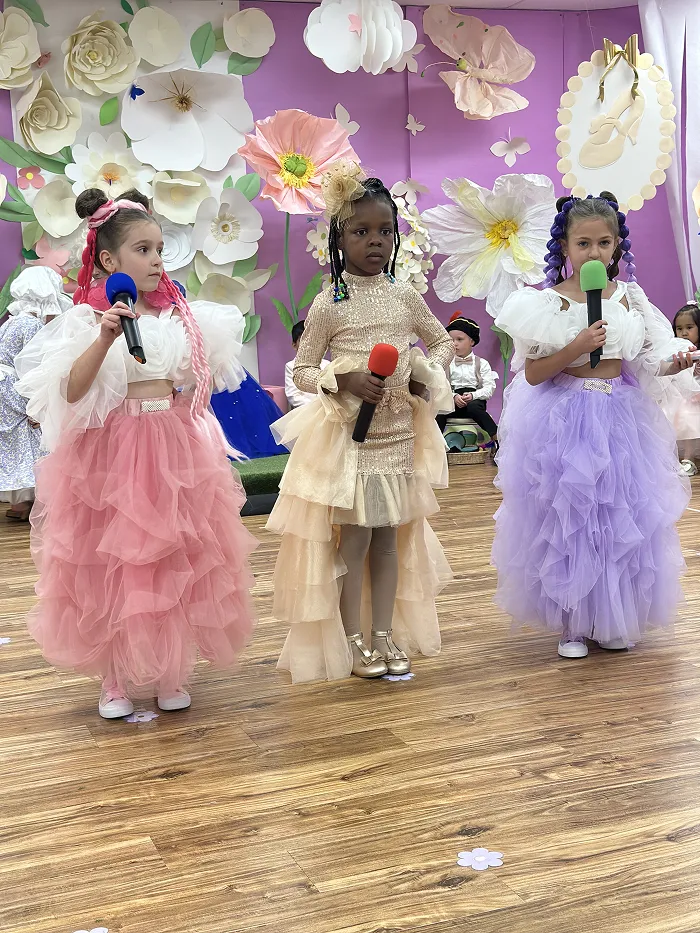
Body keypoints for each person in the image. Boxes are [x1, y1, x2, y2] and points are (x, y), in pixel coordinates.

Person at [14, 188, 257, 718]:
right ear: (109, 261)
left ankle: (170, 668)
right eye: (143, 250)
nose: (155, 260)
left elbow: (198, 382)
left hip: (171, 448)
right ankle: (116, 677)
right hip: (112, 454)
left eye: (159, 249)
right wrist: (103, 337)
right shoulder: (87, 320)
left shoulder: (179, 317)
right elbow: (72, 392)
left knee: (172, 558)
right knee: (114, 562)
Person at [267, 164, 454, 683]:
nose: (374, 241)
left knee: (390, 540)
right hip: (350, 440)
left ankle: (383, 633)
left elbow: (438, 340)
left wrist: (425, 377)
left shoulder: (405, 296)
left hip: (397, 435)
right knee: (353, 542)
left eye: (384, 231)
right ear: (339, 238)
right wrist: (344, 379)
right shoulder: (331, 303)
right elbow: (302, 370)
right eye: (361, 231)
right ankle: (352, 639)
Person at [493, 192, 697, 660]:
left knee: (618, 518)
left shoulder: (631, 299)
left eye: (605, 243)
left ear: (617, 246)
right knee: (571, 521)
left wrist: (676, 363)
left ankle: (612, 617)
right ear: (565, 247)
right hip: (563, 418)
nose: (595, 253)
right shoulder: (544, 303)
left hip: (620, 416)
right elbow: (533, 373)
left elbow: (646, 363)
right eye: (583, 243)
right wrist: (575, 346)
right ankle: (571, 623)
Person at [0, 267, 71, 521]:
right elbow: (31, 367)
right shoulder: (30, 325)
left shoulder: (12, 321)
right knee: (34, 439)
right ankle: (41, 501)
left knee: (17, 443)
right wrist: (37, 405)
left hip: (4, 387)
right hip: (15, 387)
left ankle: (21, 504)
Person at [437, 315, 499, 450]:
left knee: (475, 408)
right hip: (452, 400)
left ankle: (497, 439)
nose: (454, 343)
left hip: (474, 400)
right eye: (451, 340)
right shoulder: (446, 363)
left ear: (472, 341)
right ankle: (435, 446)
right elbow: (441, 386)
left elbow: (489, 388)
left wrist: (473, 396)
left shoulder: (481, 363)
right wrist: (453, 396)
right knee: (439, 411)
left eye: (459, 339)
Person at [667, 301, 700, 475]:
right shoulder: (677, 352)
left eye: (689, 327)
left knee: (689, 409)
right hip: (686, 394)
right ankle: (680, 458)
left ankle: (690, 459)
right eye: (679, 329)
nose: (684, 332)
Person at [285, 320, 329, 409]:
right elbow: (293, 396)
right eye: (304, 341)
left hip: (326, 409)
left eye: (312, 341)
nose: (309, 345)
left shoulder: (327, 364)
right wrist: (314, 407)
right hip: (303, 410)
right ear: (294, 345)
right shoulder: (291, 366)